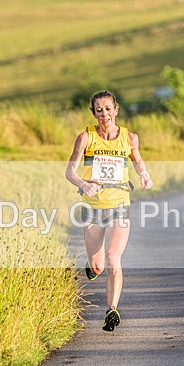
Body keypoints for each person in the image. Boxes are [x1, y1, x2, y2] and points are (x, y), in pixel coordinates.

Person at [65, 90, 152, 331]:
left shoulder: (129, 137)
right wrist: (84, 184)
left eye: (108, 108)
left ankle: (111, 310)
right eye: (99, 110)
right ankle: (92, 267)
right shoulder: (85, 138)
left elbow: (137, 159)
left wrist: (144, 175)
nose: (104, 114)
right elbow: (70, 172)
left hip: (119, 205)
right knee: (97, 266)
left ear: (116, 110)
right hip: (93, 208)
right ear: (94, 113)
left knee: (114, 258)